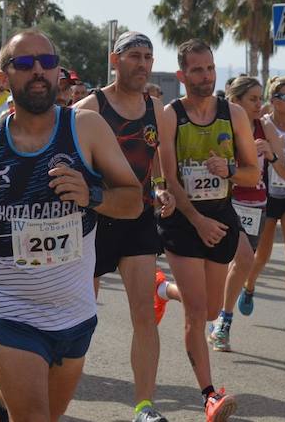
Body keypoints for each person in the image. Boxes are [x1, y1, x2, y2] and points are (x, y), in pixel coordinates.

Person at [0, 29, 143, 422]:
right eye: (24, 63)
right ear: (2, 78)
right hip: (9, 307)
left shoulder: (86, 129)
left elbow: (133, 201)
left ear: (58, 73)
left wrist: (92, 196)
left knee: (44, 415)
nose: (38, 71)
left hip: (74, 313)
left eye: (47, 63)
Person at [73, 31, 174, 422]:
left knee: (143, 315)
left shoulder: (156, 108)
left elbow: (159, 158)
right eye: (134, 55)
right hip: (92, 220)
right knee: (77, 313)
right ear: (115, 61)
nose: (142, 63)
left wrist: (162, 189)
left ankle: (144, 407)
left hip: (137, 220)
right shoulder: (90, 107)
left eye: (148, 56)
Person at [155, 39, 259, 421]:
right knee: (198, 313)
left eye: (210, 68)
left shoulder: (233, 114)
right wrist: (196, 221)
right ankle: (209, 395)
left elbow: (252, 172)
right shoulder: (170, 115)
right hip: (184, 221)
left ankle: (163, 289)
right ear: (182, 75)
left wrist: (228, 170)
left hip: (221, 216)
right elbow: (168, 176)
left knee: (213, 308)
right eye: (197, 70)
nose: (205, 76)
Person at [157, 76, 285, 353]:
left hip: (254, 203)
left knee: (228, 282)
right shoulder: (220, 121)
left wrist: (271, 156)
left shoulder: (266, 127)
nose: (259, 105)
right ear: (236, 101)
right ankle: (223, 324)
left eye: (259, 98)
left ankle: (180, 296)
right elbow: (172, 170)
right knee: (243, 259)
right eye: (252, 99)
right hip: (227, 205)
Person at [242, 77, 285, 334]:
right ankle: (249, 286)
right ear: (274, 99)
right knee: (263, 255)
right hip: (269, 195)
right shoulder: (265, 124)